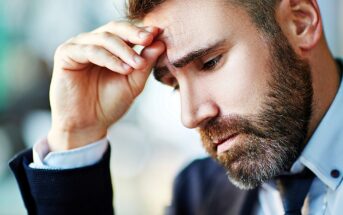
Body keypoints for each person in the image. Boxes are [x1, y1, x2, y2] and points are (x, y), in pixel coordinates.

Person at [9, 0, 343, 214]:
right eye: (172, 84)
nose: (191, 115)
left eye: (211, 62)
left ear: (300, 23)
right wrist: (76, 134)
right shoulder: (197, 193)